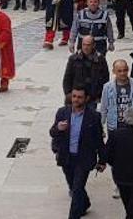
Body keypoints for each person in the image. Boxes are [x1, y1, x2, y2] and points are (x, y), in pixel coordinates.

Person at [49, 86, 106, 219]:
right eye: (74, 96)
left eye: (79, 97)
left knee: (77, 188)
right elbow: (52, 133)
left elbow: (99, 140)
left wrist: (102, 160)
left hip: (84, 158)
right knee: (75, 188)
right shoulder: (62, 112)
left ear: (86, 99)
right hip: (66, 157)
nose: (76, 99)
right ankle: (85, 203)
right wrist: (58, 128)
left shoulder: (94, 116)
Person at [101, 60, 133, 134]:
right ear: (114, 71)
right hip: (114, 126)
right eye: (119, 71)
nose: (122, 73)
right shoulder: (107, 87)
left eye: (125, 70)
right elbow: (104, 108)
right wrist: (101, 126)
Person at [62, 36, 109, 106]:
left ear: (93, 45)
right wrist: (69, 94)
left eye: (88, 45)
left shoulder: (100, 59)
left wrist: (98, 95)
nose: (85, 47)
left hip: (93, 97)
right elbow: (67, 78)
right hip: (76, 96)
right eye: (84, 44)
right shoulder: (74, 58)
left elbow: (105, 79)